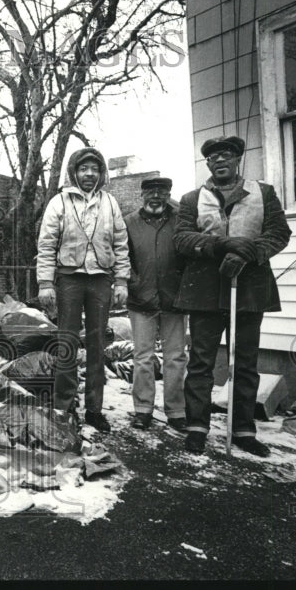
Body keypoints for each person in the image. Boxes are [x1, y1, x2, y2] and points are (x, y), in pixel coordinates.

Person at [173, 136, 292, 457]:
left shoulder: (263, 192)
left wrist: (248, 254)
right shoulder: (191, 198)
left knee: (245, 362)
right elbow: (182, 238)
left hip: (249, 289)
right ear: (208, 164)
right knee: (200, 363)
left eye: (226, 155)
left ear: (238, 158)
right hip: (205, 292)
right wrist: (221, 245)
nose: (219, 161)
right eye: (213, 158)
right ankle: (197, 428)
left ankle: (243, 430)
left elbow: (280, 233)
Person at [36, 147, 130, 433]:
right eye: (83, 169)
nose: (89, 174)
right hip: (69, 279)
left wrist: (122, 280)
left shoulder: (110, 203)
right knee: (66, 343)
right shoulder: (59, 202)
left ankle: (94, 409)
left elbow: (120, 244)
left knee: (98, 345)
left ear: (101, 174)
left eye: (95, 169)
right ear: (74, 172)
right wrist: (45, 283)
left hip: (101, 280)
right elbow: (47, 244)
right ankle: (64, 406)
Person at [123, 176, 188, 432]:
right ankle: (143, 410)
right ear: (142, 195)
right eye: (151, 192)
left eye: (162, 192)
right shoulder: (129, 222)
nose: (156, 197)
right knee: (142, 357)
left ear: (169, 194)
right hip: (141, 299)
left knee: (175, 357)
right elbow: (122, 258)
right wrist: (134, 283)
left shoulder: (182, 219)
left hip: (175, 299)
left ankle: (176, 411)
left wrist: (183, 286)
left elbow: (189, 255)